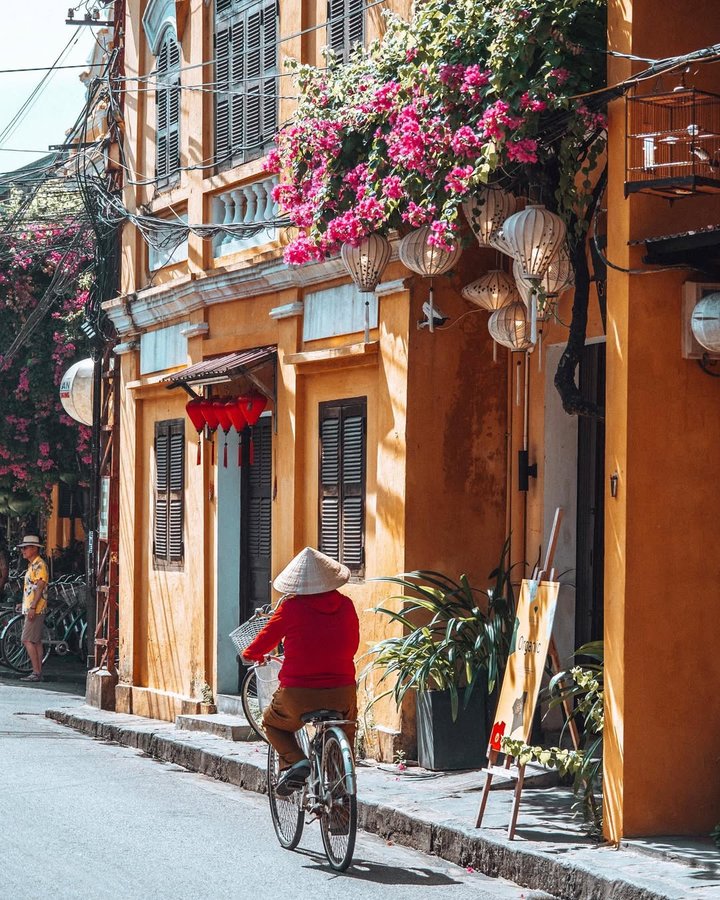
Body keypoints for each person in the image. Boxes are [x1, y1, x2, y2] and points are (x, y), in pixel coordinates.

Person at [242, 547, 360, 796]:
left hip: (298, 695)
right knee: (345, 735)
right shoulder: (347, 605)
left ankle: (297, 762)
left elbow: (259, 645)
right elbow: (352, 644)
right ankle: (340, 810)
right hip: (343, 692)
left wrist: (252, 655)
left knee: (272, 723)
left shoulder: (291, 608)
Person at [16, 535, 48, 682]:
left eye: (26, 547)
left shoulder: (39, 565)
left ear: (35, 549)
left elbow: (40, 587)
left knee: (27, 639)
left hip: (36, 607)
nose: (23, 550)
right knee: (36, 641)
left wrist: (33, 606)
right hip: (32, 607)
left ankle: (36, 672)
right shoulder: (33, 565)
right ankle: (38, 671)